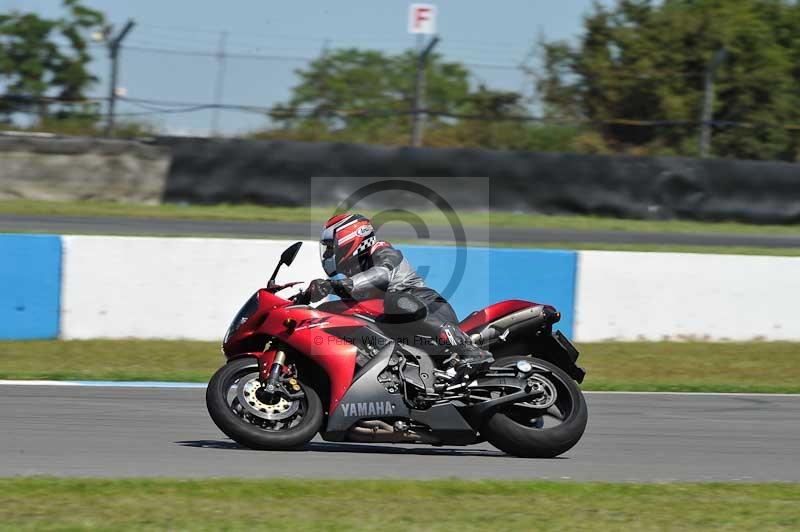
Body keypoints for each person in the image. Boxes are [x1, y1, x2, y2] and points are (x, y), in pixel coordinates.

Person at [304, 213, 494, 380]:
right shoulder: (354, 274)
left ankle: (465, 347)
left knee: (395, 300)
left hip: (427, 306)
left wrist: (337, 285)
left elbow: (382, 273)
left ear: (348, 238)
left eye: (330, 247)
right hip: (401, 326)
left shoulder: (380, 250)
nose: (329, 253)